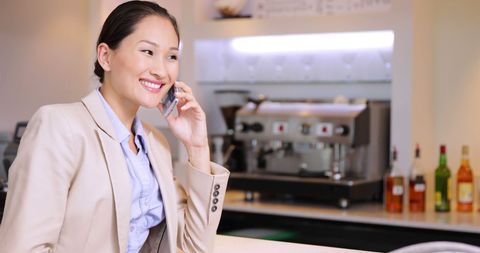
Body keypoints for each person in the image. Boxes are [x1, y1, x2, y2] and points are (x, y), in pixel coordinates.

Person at [0, 1, 229, 253]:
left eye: (171, 56)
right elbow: (22, 247)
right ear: (106, 56)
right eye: (147, 52)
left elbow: (195, 245)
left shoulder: (155, 145)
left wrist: (197, 146)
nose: (161, 71)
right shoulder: (59, 126)